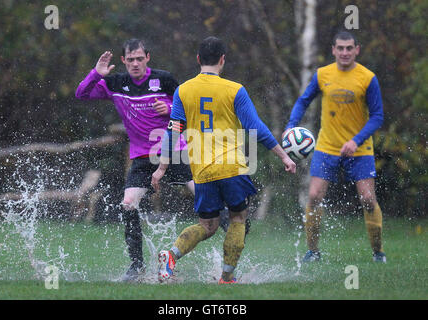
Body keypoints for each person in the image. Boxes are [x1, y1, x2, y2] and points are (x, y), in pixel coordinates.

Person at [151, 36, 296, 284]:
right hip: (232, 167)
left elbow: (172, 130)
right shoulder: (235, 90)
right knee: (238, 218)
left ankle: (172, 254)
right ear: (222, 60)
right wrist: (283, 155)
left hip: (203, 171)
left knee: (207, 226)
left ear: (198, 60)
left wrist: (162, 167)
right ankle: (227, 276)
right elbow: (256, 128)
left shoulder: (182, 91)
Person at [75, 39, 194, 281]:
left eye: (140, 58)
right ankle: (137, 265)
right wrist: (95, 74)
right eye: (130, 60)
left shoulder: (164, 79)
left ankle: (231, 235)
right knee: (128, 204)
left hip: (173, 151)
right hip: (142, 157)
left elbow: (189, 109)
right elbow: (82, 94)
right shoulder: (116, 82)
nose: (135, 63)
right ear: (123, 61)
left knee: (202, 195)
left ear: (148, 57)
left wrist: (170, 108)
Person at [284, 31, 386, 263]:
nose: (344, 52)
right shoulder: (322, 74)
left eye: (349, 48)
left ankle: (378, 252)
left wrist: (355, 140)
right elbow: (303, 101)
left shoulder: (368, 78)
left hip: (359, 149)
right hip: (327, 146)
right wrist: (291, 126)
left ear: (357, 50)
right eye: (340, 48)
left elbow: (377, 116)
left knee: (368, 199)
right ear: (333, 50)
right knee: (314, 195)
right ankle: (313, 252)